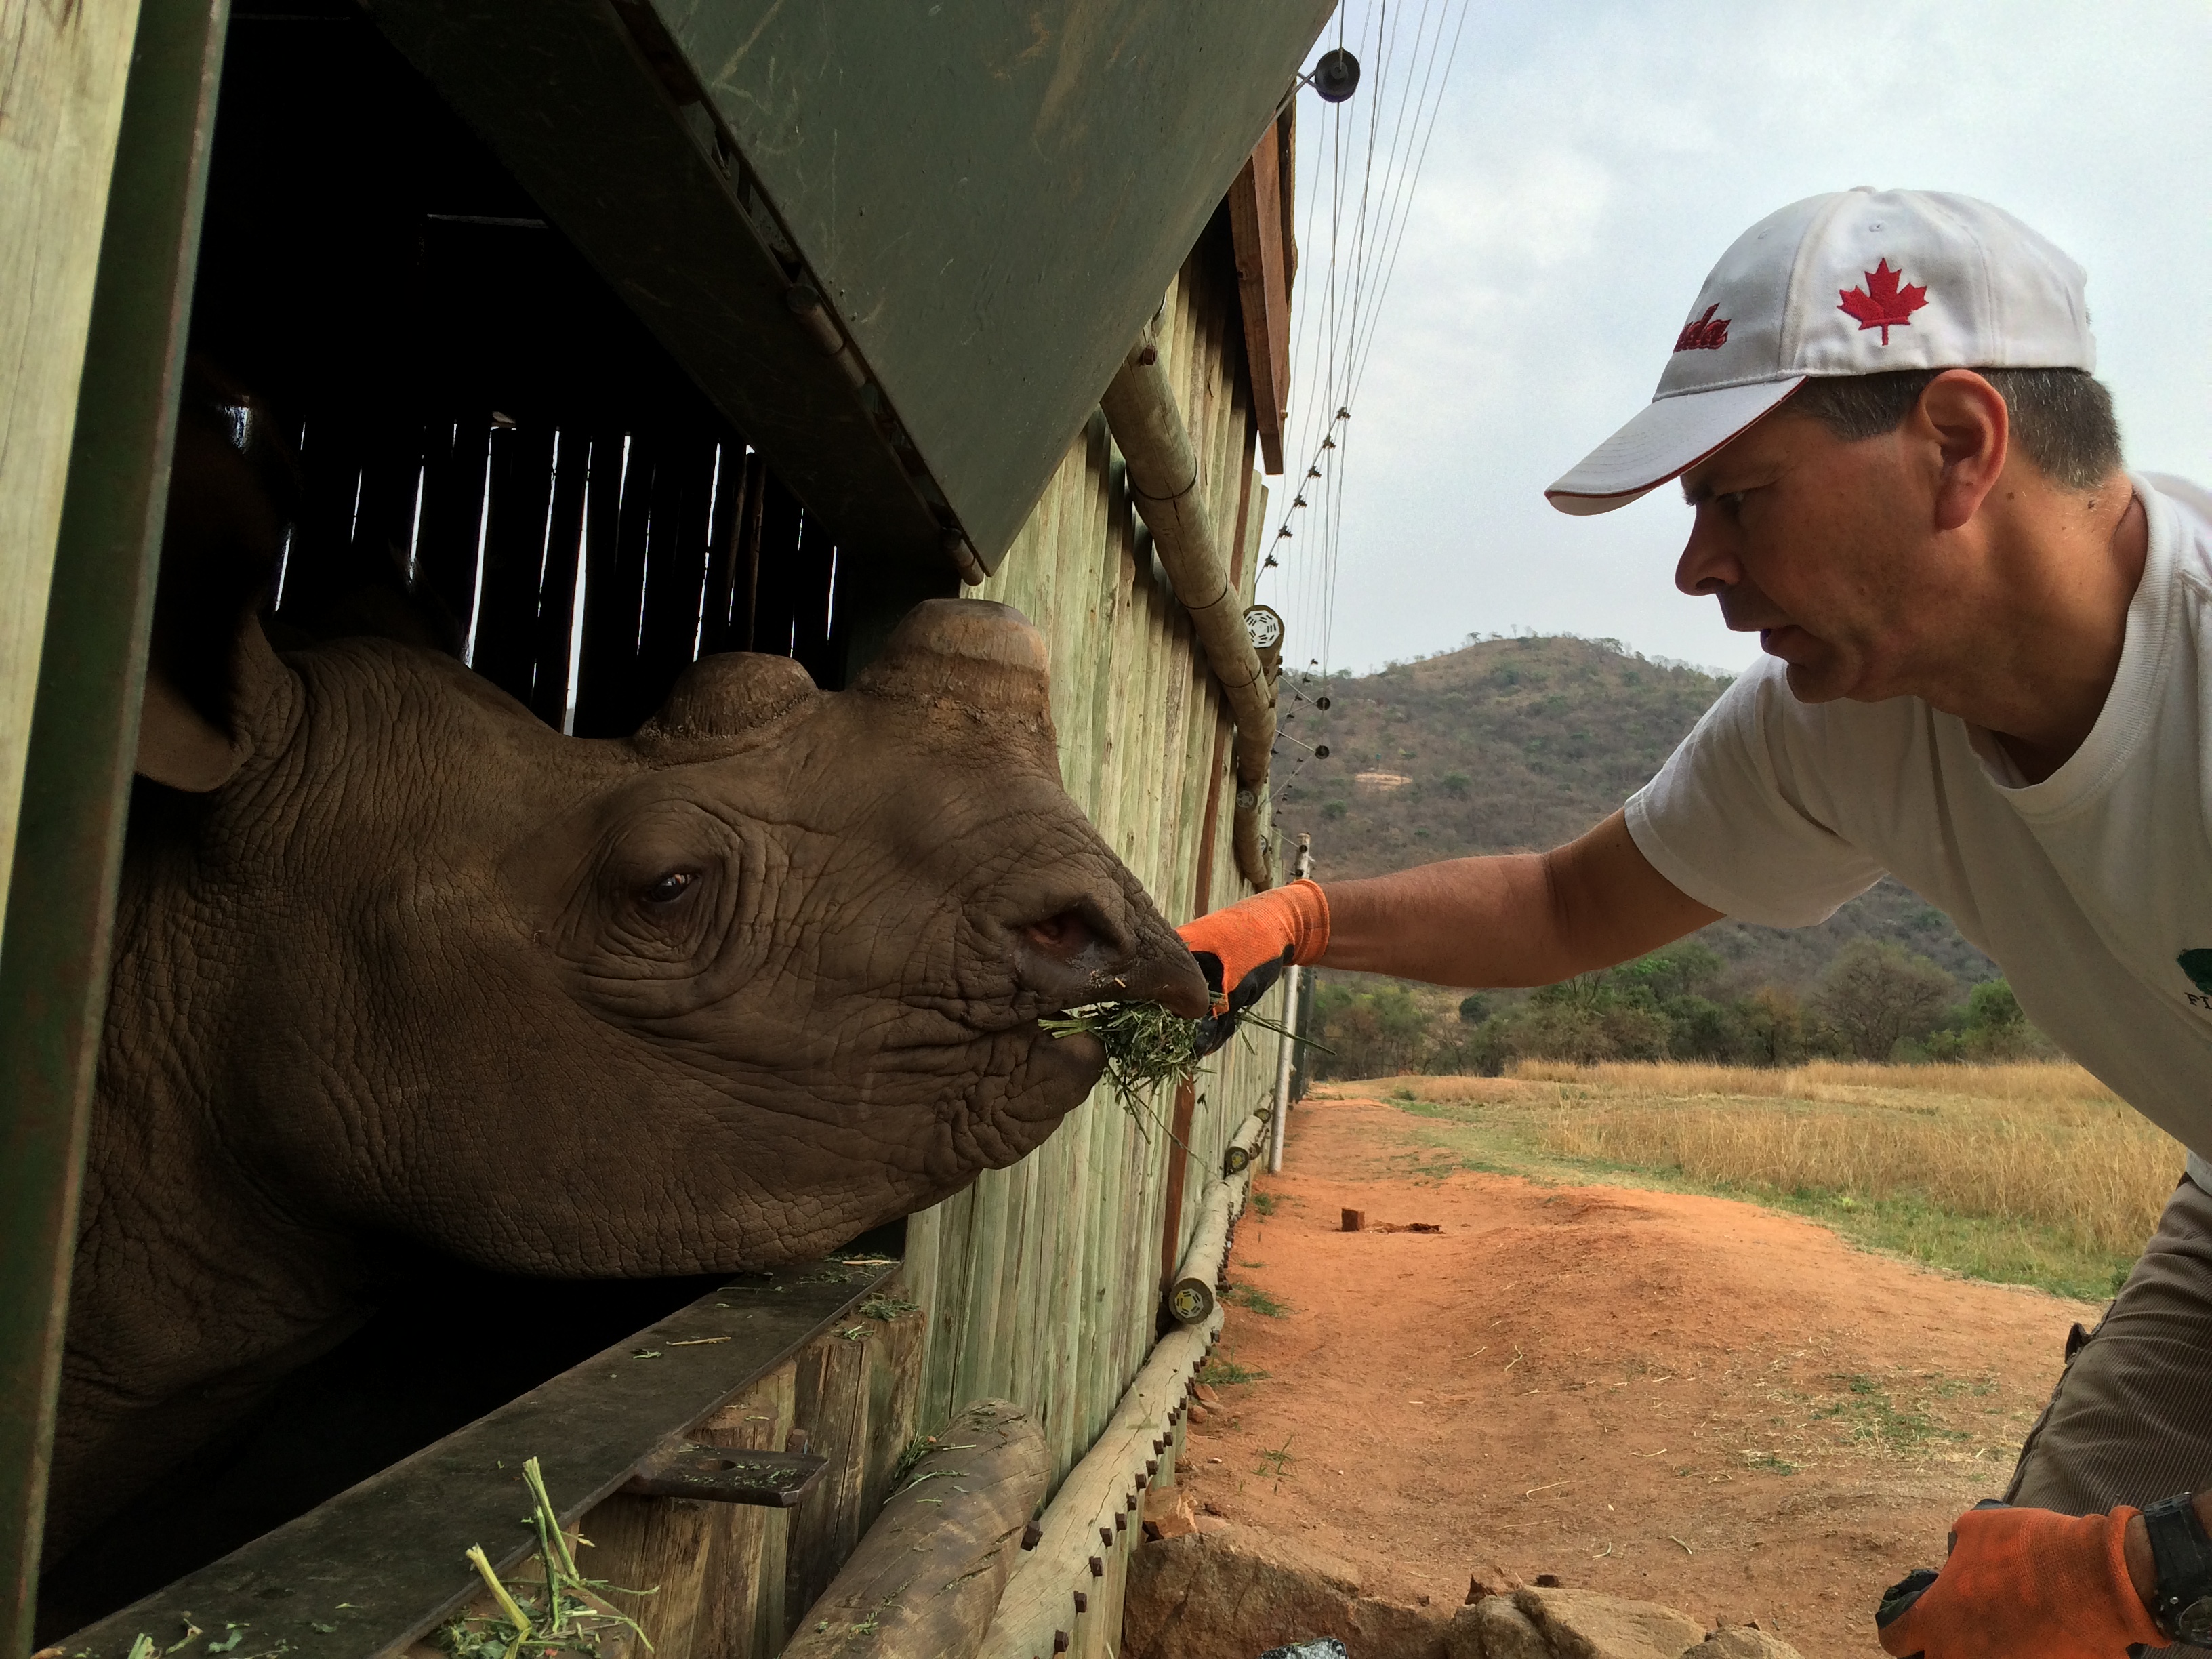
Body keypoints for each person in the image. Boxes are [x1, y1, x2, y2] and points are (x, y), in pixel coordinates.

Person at [1179, 189, 2212, 1657]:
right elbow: (1564, 901)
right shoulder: (1847, 717)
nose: (1698, 570)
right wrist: (1299, 917)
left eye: (1741, 498)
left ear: (1961, 447)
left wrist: (2152, 1568)